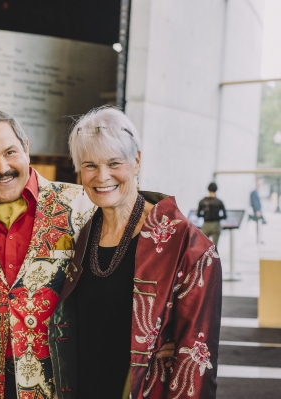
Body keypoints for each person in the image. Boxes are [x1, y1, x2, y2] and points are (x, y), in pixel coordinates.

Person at [0, 110, 174, 399]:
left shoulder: (84, 205)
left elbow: (135, 263)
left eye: (10, 152)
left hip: (65, 384)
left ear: (26, 149)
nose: (2, 167)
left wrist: (168, 327)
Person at [57, 106, 222, 398]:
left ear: (137, 160)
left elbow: (196, 364)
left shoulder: (187, 245)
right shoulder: (82, 235)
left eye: (114, 162)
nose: (102, 176)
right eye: (90, 165)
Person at [197, 182, 227, 246]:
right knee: (214, 246)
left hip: (206, 224)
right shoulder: (219, 202)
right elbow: (224, 216)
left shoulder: (202, 201)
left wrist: (205, 215)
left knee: (204, 246)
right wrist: (217, 217)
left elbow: (198, 214)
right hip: (216, 225)